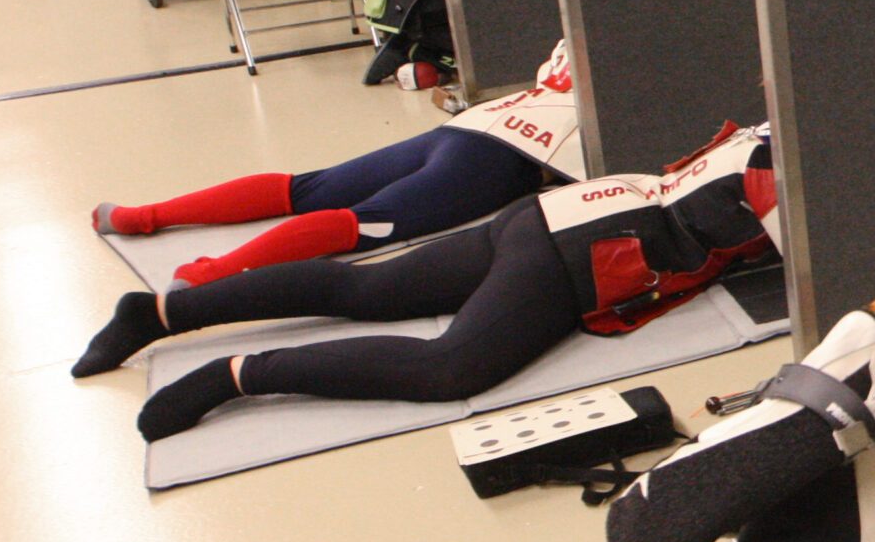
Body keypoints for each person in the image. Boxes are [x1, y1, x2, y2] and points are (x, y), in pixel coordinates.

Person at [73, 122, 778, 440]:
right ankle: (235, 375)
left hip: (552, 214)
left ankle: (161, 312)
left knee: (368, 291)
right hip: (578, 253)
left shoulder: (763, 133)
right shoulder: (780, 172)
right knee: (450, 367)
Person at [91, 41, 582, 288]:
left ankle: (142, 217)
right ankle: (211, 276)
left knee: (307, 188)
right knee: (364, 222)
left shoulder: (577, 36)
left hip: (471, 126)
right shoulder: (631, 66)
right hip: (513, 153)